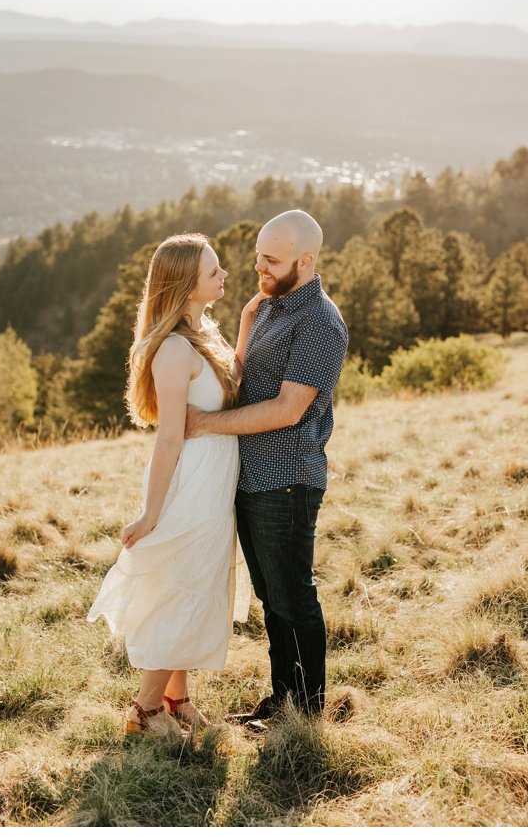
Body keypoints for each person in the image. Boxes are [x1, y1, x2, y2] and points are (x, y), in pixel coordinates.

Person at [185, 209, 347, 724]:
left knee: (293, 595)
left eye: (271, 260)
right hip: (251, 476)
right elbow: (244, 382)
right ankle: (280, 701)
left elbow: (287, 409)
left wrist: (205, 424)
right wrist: (245, 324)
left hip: (287, 479)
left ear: (306, 260)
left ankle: (306, 711)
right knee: (270, 598)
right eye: (257, 257)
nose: (260, 268)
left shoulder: (320, 322)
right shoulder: (272, 306)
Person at [88, 233, 249, 738]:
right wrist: (151, 513)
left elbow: (232, 380)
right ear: (184, 285)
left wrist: (246, 322)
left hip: (214, 478)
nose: (224, 277)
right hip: (190, 482)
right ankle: (145, 709)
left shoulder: (206, 333)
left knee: (197, 581)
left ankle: (178, 697)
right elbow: (168, 439)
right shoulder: (175, 350)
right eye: (213, 272)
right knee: (183, 586)